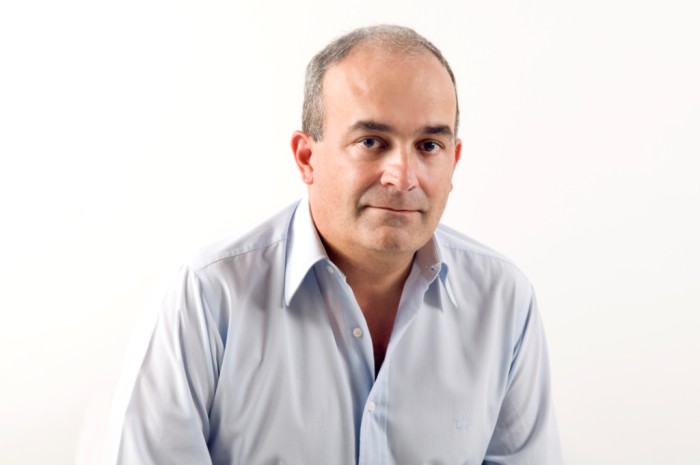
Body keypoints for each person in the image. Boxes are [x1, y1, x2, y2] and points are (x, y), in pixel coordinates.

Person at [113, 24, 563, 464]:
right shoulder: (208, 297)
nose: (403, 177)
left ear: (454, 161)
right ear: (306, 157)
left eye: (429, 146)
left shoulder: (503, 300)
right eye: (371, 142)